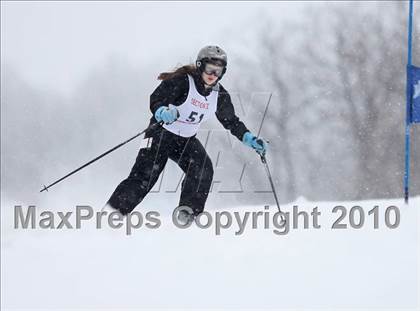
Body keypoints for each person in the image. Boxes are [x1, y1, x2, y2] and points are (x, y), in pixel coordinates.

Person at [103, 45, 267, 222]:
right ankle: (111, 215)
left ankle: (187, 216)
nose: (213, 74)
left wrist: (249, 138)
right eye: (209, 68)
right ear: (199, 65)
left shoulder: (219, 95)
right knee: (145, 177)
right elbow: (156, 99)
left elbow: (231, 122)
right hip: (161, 134)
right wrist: (162, 112)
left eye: (218, 71)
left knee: (203, 168)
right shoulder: (182, 81)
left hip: (185, 141)